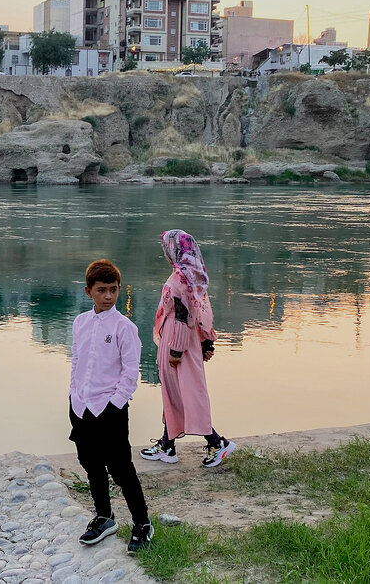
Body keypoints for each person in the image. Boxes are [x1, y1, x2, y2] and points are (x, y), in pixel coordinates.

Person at [69, 259, 154, 553]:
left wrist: (115, 404)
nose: (108, 296)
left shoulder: (124, 327)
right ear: (88, 291)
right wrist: (73, 396)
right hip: (81, 406)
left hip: (110, 408)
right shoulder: (80, 322)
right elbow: (77, 362)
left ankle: (142, 524)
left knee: (121, 469)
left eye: (114, 290)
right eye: (102, 290)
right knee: (91, 464)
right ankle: (104, 517)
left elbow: (131, 372)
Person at [140, 230, 236, 468]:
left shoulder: (180, 280)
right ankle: (167, 444)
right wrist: (206, 342)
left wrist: (175, 351)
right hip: (188, 341)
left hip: (177, 341)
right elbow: (203, 312)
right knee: (176, 395)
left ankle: (216, 442)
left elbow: (183, 317)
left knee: (186, 395)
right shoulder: (195, 277)